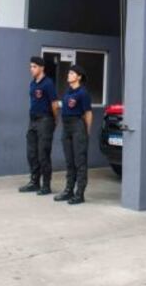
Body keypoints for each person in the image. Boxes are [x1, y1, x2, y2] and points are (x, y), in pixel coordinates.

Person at [20, 56, 58, 195]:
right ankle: (34, 182)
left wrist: (54, 120)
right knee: (31, 153)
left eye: (34, 66)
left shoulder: (48, 83)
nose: (31, 69)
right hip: (33, 120)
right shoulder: (32, 83)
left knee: (43, 153)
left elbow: (54, 104)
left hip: (45, 120)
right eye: (30, 66)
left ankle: (46, 185)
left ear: (42, 68)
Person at [54, 65, 92, 205]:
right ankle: (68, 190)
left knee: (79, 162)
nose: (68, 75)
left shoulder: (83, 93)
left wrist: (87, 131)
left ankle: (79, 193)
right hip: (67, 128)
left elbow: (88, 113)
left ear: (79, 77)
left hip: (78, 127)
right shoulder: (68, 92)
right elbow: (64, 105)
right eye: (69, 72)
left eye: (72, 73)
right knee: (69, 161)